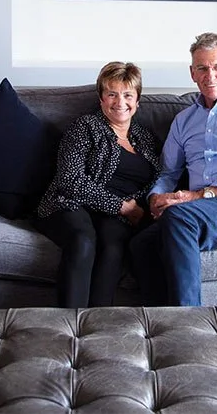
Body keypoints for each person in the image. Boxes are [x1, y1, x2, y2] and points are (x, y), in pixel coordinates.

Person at [128, 32, 217, 306]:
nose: (211, 75)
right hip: (199, 209)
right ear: (192, 73)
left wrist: (200, 195)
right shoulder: (184, 120)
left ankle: (190, 324)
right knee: (141, 243)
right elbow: (168, 172)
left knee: (180, 218)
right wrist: (155, 200)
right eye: (202, 68)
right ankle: (161, 325)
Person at [35, 61, 162, 307]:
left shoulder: (146, 138)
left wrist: (142, 206)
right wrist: (123, 207)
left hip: (115, 219)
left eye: (127, 95)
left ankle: (96, 324)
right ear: (101, 98)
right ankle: (69, 325)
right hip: (71, 204)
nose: (120, 102)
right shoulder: (84, 127)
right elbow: (70, 181)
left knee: (114, 248)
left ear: (137, 101)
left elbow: (159, 177)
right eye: (112, 94)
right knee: (83, 240)